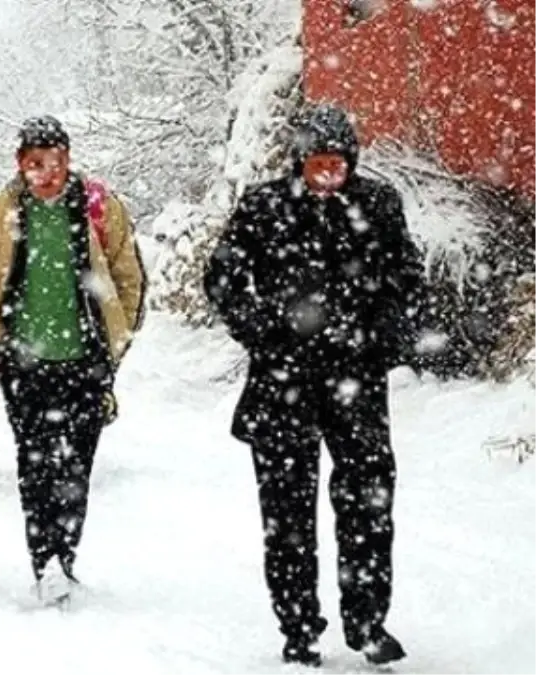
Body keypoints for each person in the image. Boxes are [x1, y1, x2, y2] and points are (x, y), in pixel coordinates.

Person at [203, 103, 423, 667]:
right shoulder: (265, 207)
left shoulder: (377, 205)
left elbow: (406, 275)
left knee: (369, 508)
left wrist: (387, 333)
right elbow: (223, 275)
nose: (328, 174)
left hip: (358, 383)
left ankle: (369, 623)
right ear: (299, 161)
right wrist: (261, 330)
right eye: (317, 163)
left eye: (338, 163)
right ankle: (299, 628)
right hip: (282, 385)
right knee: (287, 519)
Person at [0, 115, 146, 605]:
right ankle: (45, 561)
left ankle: (67, 555)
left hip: (85, 361)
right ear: (20, 164)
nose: (47, 173)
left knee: (77, 466)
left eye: (56, 161)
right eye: (36, 163)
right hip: (23, 364)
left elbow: (129, 274)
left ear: (69, 159)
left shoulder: (99, 208)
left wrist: (114, 341)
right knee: (36, 466)